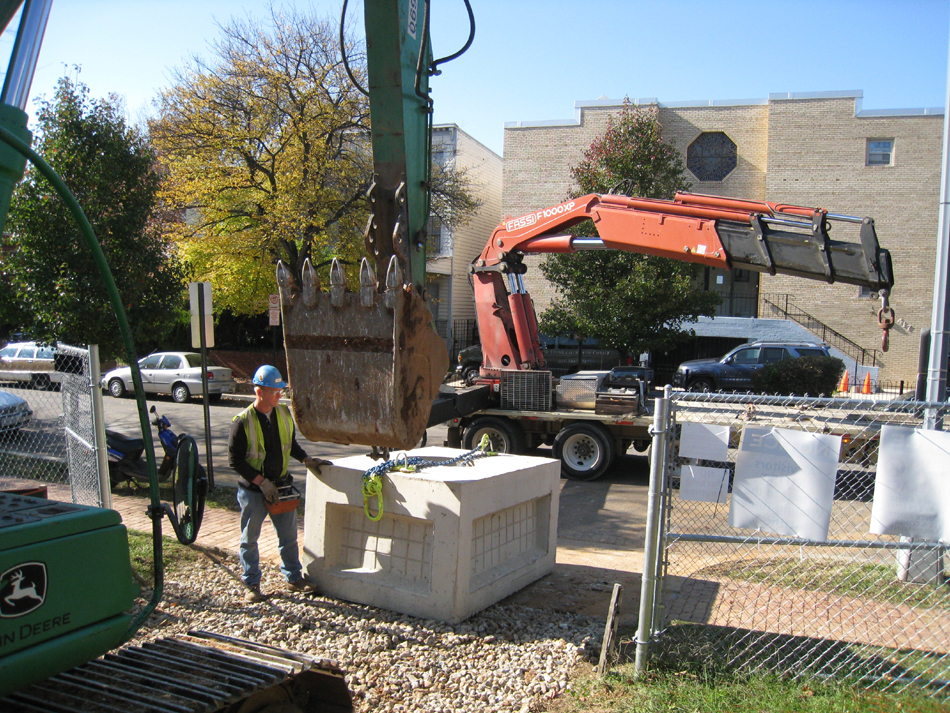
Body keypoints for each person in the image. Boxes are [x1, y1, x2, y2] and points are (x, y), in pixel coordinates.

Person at [229, 365, 331, 602]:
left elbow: (290, 444)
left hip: (282, 487)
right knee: (249, 539)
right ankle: (251, 584)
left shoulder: (284, 414)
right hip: (254, 492)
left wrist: (306, 459)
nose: (279, 394)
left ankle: (294, 578)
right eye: (274, 390)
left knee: (288, 537)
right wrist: (262, 483)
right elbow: (235, 461)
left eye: (280, 390)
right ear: (259, 392)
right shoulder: (242, 422)